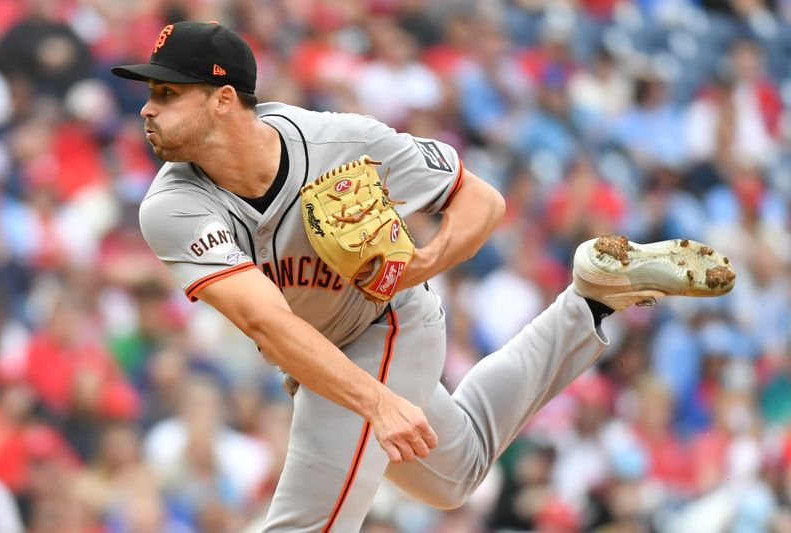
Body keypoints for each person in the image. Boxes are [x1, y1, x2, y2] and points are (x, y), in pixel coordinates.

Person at [111, 21, 736, 531]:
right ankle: (590, 301)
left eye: (167, 93)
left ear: (224, 99)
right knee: (453, 475)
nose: (147, 107)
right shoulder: (172, 205)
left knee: (307, 523)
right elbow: (264, 322)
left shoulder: (341, 141)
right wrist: (378, 401)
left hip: (390, 320)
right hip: (321, 353)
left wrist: (422, 262)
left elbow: (480, 200)